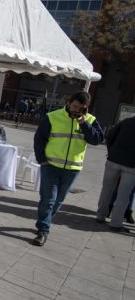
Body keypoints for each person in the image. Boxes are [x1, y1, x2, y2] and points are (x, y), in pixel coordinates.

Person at [32, 91, 104, 246]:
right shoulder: (53, 116)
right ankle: (43, 230)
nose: (76, 110)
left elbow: (97, 139)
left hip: (72, 168)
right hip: (50, 165)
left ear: (86, 107)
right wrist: (42, 160)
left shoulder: (90, 120)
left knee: (58, 201)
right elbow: (39, 139)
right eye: (74, 106)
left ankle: (44, 221)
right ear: (69, 102)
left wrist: (84, 123)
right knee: (48, 199)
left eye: (80, 108)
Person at [95, 116, 135, 232]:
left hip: (113, 160)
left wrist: (111, 151)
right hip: (131, 165)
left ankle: (100, 215)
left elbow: (109, 136)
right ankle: (115, 224)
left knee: (107, 189)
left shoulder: (126, 121)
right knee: (124, 194)